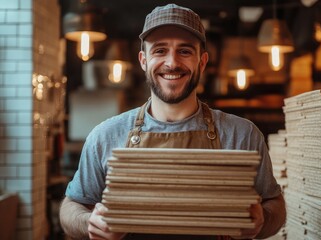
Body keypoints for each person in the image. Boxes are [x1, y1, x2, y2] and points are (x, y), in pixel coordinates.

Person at [59, 3, 286, 240]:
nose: (172, 63)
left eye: (185, 51)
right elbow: (71, 206)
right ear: (143, 60)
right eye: (159, 50)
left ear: (202, 61)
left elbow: (275, 203)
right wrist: (89, 223)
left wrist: (263, 219)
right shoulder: (105, 135)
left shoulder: (242, 134)